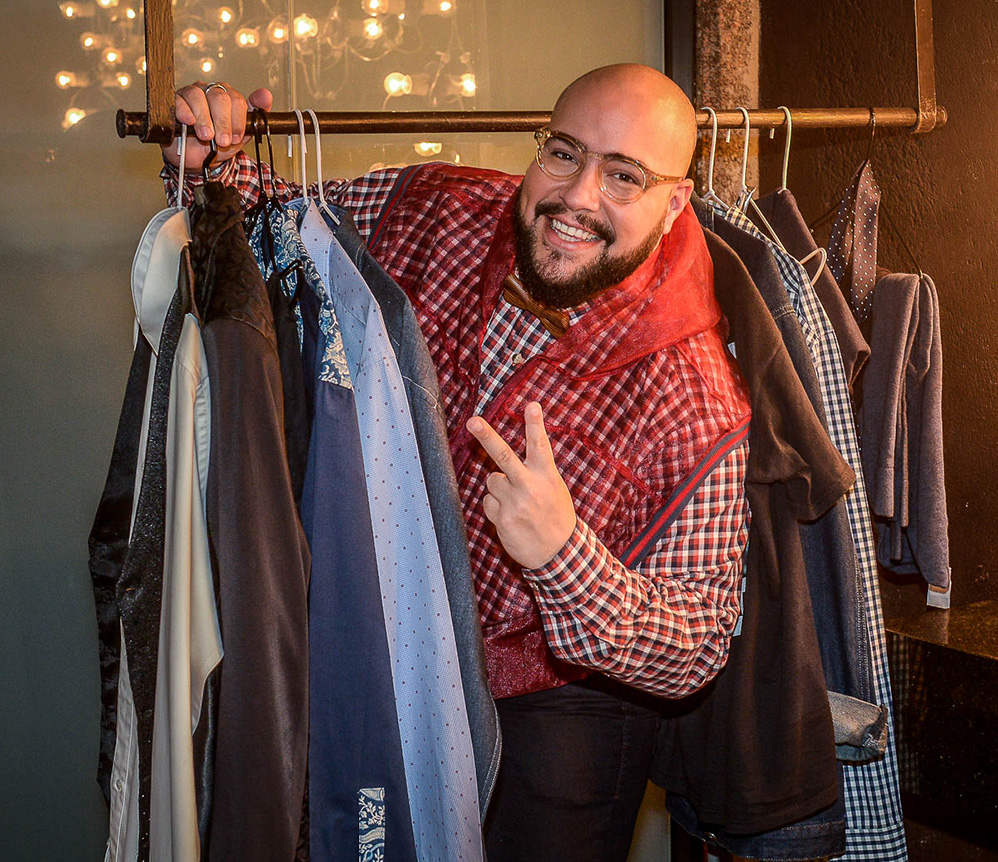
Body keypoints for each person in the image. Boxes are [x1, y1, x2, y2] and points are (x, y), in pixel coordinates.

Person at [162, 64, 752, 861]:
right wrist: (212, 158)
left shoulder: (696, 391)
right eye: (564, 154)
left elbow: (701, 643)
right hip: (384, 642)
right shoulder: (439, 207)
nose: (578, 197)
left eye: (624, 176)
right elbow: (285, 223)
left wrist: (564, 558)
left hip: (554, 708)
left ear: (676, 201)